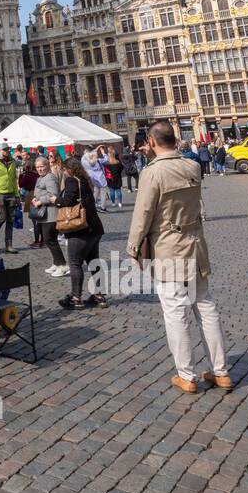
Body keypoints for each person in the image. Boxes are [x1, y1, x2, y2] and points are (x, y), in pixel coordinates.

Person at [126, 121, 231, 395]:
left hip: (169, 249)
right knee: (206, 308)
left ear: (151, 141)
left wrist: (133, 248)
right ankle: (220, 372)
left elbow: (143, 215)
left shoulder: (152, 173)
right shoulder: (192, 166)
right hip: (195, 244)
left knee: (176, 313)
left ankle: (187, 375)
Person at [58, 156, 106, 310]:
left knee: (75, 263)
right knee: (94, 262)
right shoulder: (85, 180)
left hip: (81, 228)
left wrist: (55, 199)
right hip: (94, 227)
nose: (64, 172)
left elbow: (66, 201)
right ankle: (99, 295)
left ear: (69, 169)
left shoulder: (72, 181)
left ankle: (76, 297)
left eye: (65, 169)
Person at [32, 156, 68, 276]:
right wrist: (35, 199)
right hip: (44, 214)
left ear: (47, 166)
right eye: (37, 167)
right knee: (49, 240)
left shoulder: (50, 177)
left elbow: (53, 195)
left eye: (42, 166)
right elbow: (40, 192)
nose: (40, 169)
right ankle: (56, 262)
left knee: (50, 240)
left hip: (51, 214)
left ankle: (62, 265)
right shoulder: (41, 177)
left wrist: (40, 201)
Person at [18, 153, 40, 247]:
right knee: (40, 219)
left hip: (31, 195)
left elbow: (21, 184)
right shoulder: (38, 174)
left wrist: (20, 175)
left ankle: (37, 241)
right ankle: (42, 240)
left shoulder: (27, 174)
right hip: (39, 195)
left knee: (34, 221)